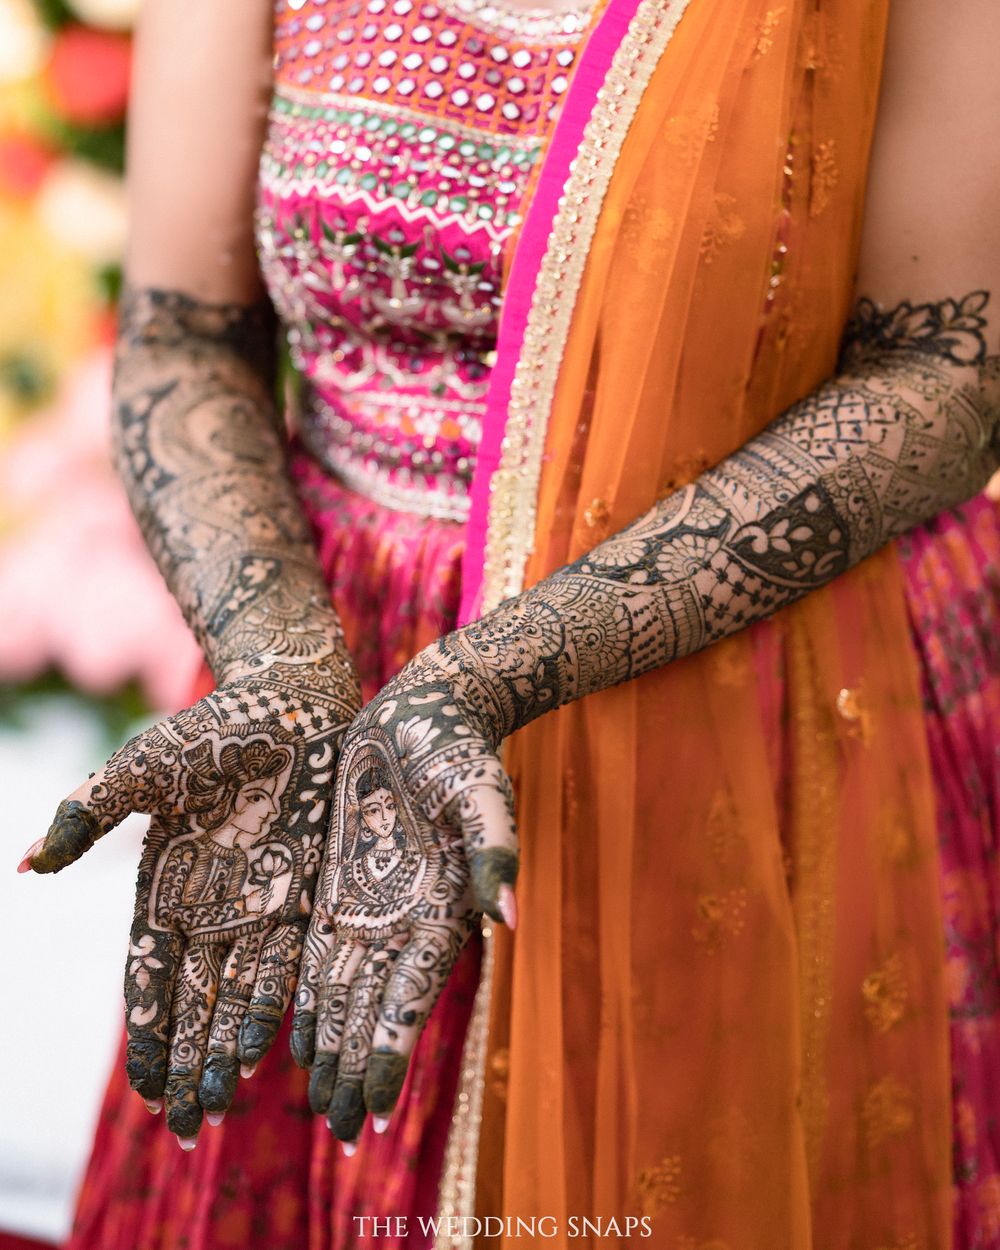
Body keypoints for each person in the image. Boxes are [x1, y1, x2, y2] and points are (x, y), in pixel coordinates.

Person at [17, 0, 1000, 1245]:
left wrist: (497, 670)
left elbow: (941, 370)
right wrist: (276, 661)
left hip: (759, 689)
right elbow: (185, 329)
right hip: (335, 684)